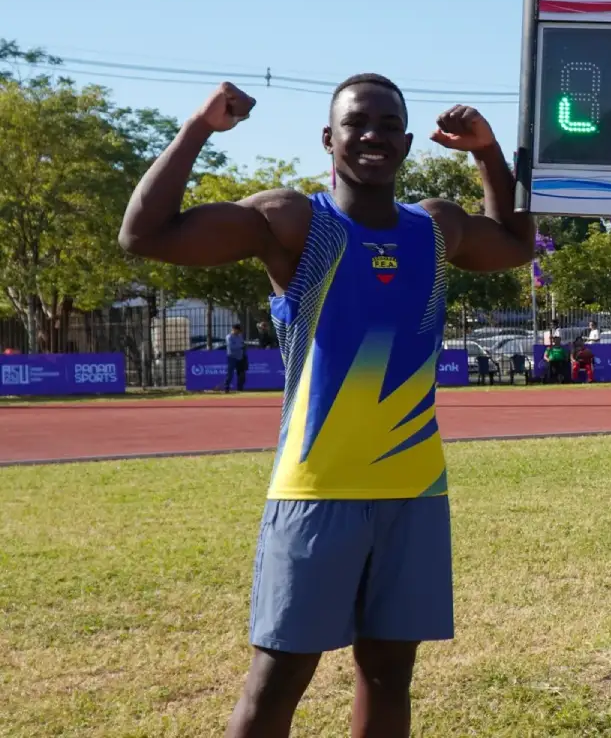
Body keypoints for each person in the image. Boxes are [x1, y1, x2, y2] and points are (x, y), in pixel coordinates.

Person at [118, 76, 533, 738]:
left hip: (413, 490)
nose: (372, 135)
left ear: (404, 140)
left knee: (390, 677)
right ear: (328, 139)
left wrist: (487, 154)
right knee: (277, 682)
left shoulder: (435, 228)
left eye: (387, 123)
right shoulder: (295, 223)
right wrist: (199, 126)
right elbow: (144, 234)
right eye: (355, 123)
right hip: (316, 491)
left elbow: (517, 244)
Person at [224, 323, 249, 392]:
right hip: (232, 357)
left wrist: (243, 348)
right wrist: (241, 346)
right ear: (234, 329)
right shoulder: (229, 337)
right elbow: (231, 347)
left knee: (241, 374)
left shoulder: (240, 336)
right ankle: (227, 387)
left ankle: (240, 388)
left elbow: (242, 344)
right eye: (238, 330)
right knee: (230, 373)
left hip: (240, 357)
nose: (239, 332)